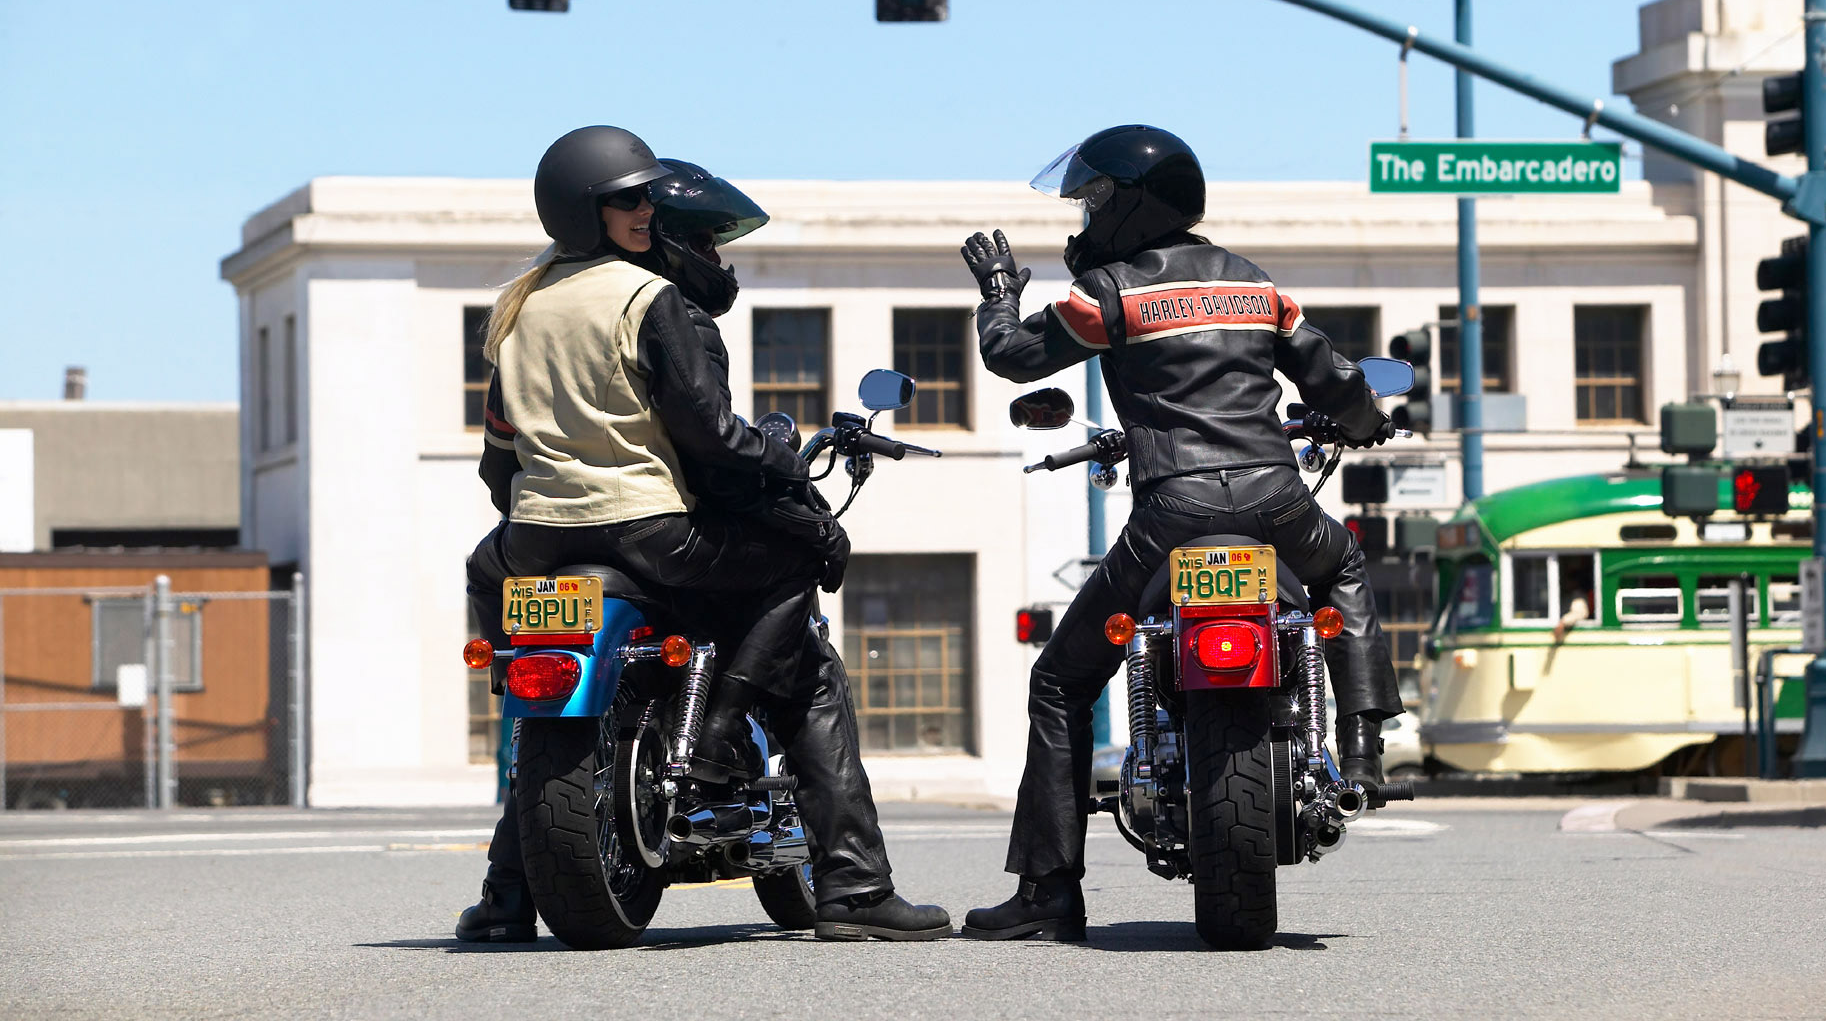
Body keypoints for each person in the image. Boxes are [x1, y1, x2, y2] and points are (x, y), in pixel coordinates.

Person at [455, 127, 948, 942]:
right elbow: (710, 435)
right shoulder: (646, 299)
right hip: (645, 531)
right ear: (587, 209)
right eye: (629, 198)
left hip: (532, 541)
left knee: (539, 707)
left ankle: (506, 898)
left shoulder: (518, 309)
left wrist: (550, 505)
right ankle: (848, 881)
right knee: (799, 587)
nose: (645, 210)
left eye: (647, 197)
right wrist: (784, 464)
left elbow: (497, 462)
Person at [958, 124, 1404, 941]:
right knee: (1343, 565)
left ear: (1127, 205)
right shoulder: (1255, 286)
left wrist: (997, 292)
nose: (1084, 218)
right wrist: (1369, 422)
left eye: (1092, 201)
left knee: (1059, 682)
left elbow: (1013, 356)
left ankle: (1048, 895)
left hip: (1172, 513)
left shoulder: (1110, 295)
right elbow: (1334, 380)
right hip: (1276, 503)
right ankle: (1365, 751)